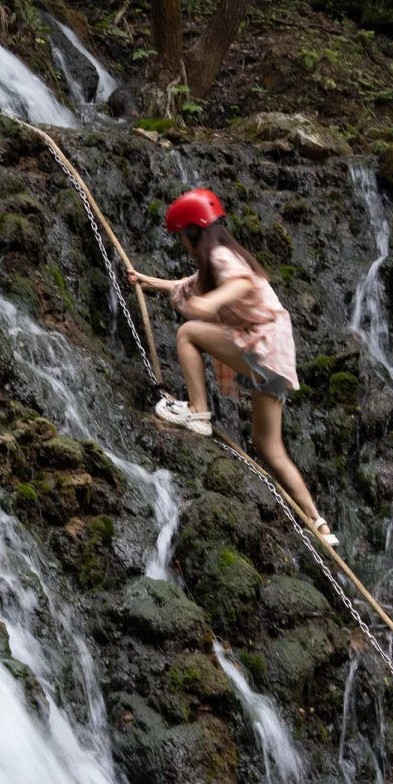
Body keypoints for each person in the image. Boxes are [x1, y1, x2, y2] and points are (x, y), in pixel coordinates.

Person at [128, 187, 338, 546]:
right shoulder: (219, 260)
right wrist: (147, 282)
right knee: (268, 446)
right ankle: (319, 524)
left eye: (182, 238)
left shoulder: (224, 259)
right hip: (275, 358)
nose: (183, 245)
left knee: (188, 333)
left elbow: (236, 286)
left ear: (193, 233)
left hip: (262, 348)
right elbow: (185, 286)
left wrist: (209, 306)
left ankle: (198, 412)